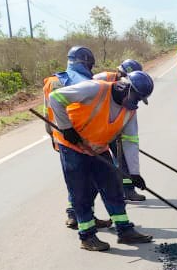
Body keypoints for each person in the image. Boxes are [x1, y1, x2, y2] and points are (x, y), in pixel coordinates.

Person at [47, 71, 156, 252]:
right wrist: (67, 128)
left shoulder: (130, 111)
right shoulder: (94, 89)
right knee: (81, 191)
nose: (136, 102)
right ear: (124, 87)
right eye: (136, 97)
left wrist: (134, 173)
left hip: (98, 148)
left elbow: (130, 141)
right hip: (73, 146)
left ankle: (124, 230)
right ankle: (87, 236)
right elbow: (55, 97)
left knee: (112, 187)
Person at [44, 46, 109, 230]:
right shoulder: (80, 82)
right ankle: (82, 218)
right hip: (76, 139)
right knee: (85, 182)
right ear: (86, 62)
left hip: (60, 137)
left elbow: (47, 113)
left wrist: (52, 135)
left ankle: (76, 215)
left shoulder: (52, 81)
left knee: (75, 181)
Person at [95, 59, 145, 202]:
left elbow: (131, 139)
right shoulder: (101, 79)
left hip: (113, 129)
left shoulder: (130, 94)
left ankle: (128, 190)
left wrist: (135, 173)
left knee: (123, 158)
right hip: (95, 129)